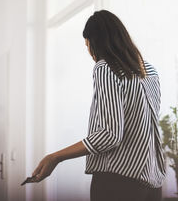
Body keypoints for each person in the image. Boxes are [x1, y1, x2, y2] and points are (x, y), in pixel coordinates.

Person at [31, 10, 166, 201]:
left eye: (88, 45)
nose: (89, 53)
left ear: (97, 43)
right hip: (152, 184)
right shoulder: (150, 71)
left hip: (118, 183)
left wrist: (55, 157)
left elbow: (110, 135)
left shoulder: (105, 68)